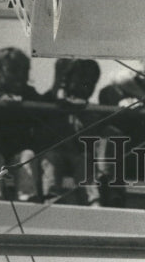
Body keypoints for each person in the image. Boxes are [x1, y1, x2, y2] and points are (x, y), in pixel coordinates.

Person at [0, 47, 42, 203]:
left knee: (27, 155)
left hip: (16, 154)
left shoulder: (29, 94)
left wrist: (24, 106)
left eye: (23, 72)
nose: (19, 77)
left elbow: (44, 110)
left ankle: (27, 198)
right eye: (13, 71)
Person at [39, 58, 102, 205]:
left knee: (85, 160)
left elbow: (92, 140)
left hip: (77, 156)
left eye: (91, 83)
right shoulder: (50, 100)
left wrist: (84, 115)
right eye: (81, 80)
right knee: (51, 158)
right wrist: (60, 95)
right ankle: (51, 200)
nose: (86, 87)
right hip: (54, 154)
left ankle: (92, 201)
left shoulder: (91, 111)